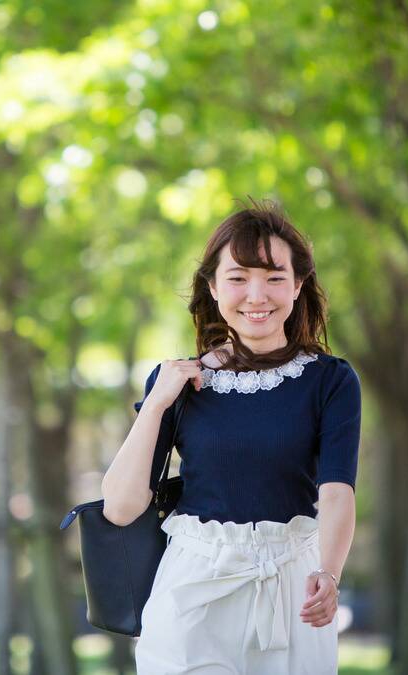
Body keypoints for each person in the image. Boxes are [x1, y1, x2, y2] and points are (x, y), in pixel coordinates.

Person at [99, 201, 361, 674]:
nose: (256, 295)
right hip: (193, 588)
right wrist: (157, 403)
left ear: (298, 285)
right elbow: (119, 507)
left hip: (291, 590)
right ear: (214, 287)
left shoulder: (331, 380)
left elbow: (338, 490)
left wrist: (329, 573)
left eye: (275, 277)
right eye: (238, 277)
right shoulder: (176, 381)